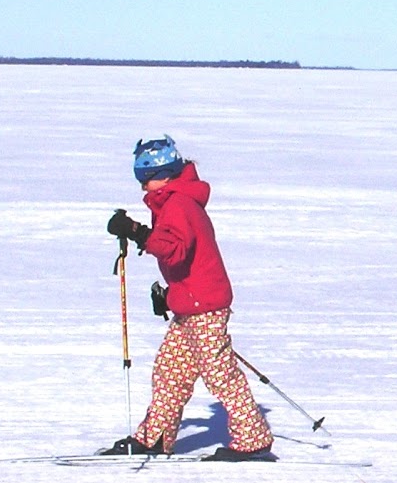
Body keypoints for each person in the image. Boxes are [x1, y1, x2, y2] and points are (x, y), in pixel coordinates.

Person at [101, 135, 275, 462]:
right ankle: (155, 437)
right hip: (192, 305)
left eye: (146, 181)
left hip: (205, 308)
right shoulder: (173, 202)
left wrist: (137, 232)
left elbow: (174, 249)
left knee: (220, 372)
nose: (143, 189)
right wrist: (171, 297)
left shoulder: (178, 204)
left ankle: (253, 437)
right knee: (171, 371)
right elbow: (187, 261)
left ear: (164, 176)